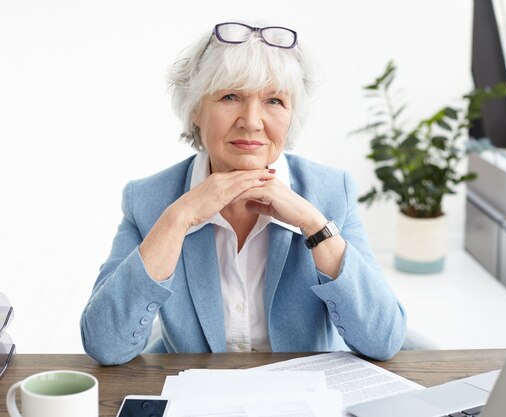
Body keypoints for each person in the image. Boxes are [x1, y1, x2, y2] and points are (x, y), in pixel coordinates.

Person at [80, 21, 407, 365]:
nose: (251, 121)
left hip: (304, 394)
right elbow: (105, 345)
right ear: (195, 109)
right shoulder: (147, 199)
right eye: (230, 96)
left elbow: (383, 339)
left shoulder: (330, 192)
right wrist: (178, 219)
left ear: (291, 115)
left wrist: (314, 224)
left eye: (274, 100)